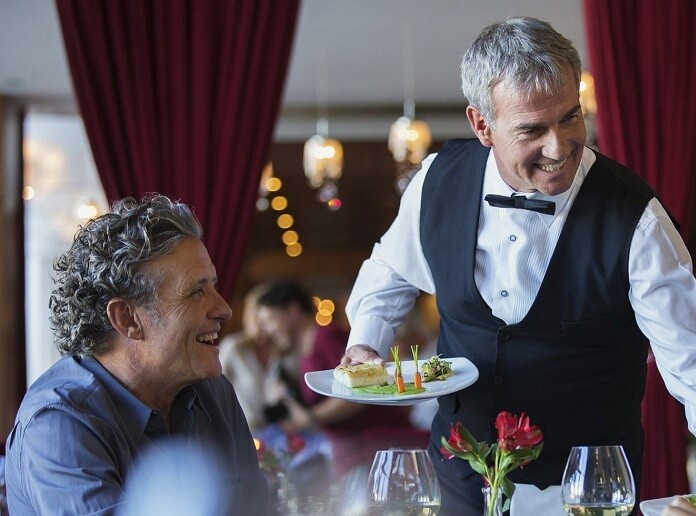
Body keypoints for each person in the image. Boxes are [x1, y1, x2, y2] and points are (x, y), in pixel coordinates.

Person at [341, 16, 696, 513]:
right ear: (482, 125)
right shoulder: (437, 182)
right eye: (532, 129)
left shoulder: (636, 217)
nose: (559, 146)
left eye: (570, 117)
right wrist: (364, 343)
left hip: (593, 489)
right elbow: (389, 272)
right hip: (458, 484)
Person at [3, 194, 269, 515]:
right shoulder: (59, 424)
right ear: (128, 319)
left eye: (213, 285)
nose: (224, 309)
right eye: (196, 291)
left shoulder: (214, 391)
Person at [253, 280, 421, 477]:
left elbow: (359, 390)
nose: (267, 331)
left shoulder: (327, 337)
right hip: (351, 450)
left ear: (293, 310)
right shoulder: (306, 349)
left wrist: (311, 419)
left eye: (270, 320)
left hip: (376, 447)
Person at [218, 281, 300, 433]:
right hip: (241, 433)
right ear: (251, 315)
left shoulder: (284, 351)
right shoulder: (234, 347)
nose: (265, 324)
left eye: (270, 317)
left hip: (280, 433)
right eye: (260, 316)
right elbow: (215, 395)